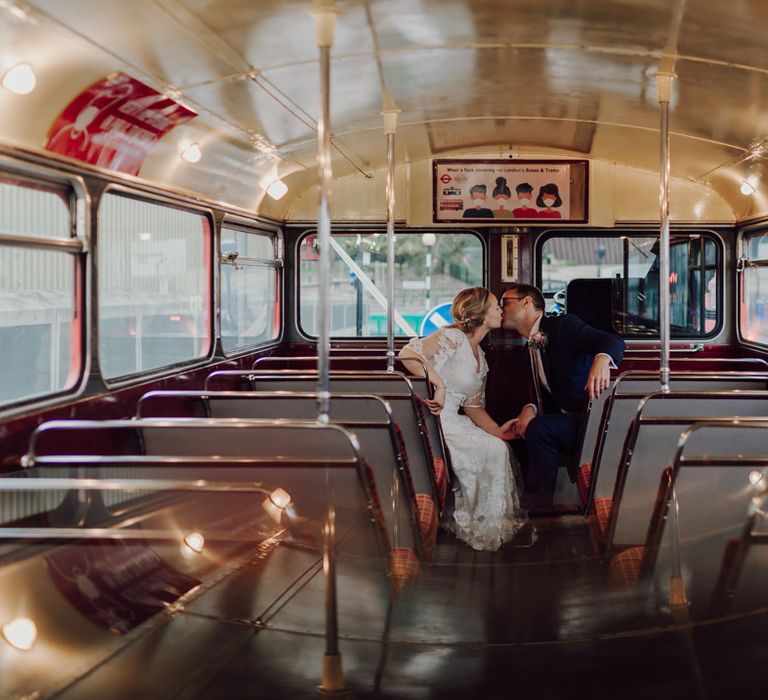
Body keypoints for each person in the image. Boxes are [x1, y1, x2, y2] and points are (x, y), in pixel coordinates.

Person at [399, 287, 527, 551]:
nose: (501, 311)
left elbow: (473, 405)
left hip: (456, 420)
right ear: (479, 314)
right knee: (489, 451)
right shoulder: (452, 337)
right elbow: (408, 355)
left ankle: (490, 525)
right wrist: (439, 385)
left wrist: (498, 431)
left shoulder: (480, 355)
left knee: (498, 447)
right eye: (495, 307)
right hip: (435, 418)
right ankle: (474, 525)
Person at [500, 283, 625, 511]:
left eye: (505, 303)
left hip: (589, 418)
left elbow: (613, 341)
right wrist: (530, 408)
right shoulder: (530, 344)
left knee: (540, 429)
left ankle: (538, 511)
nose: (500, 310)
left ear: (527, 302)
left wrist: (601, 359)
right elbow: (546, 391)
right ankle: (528, 505)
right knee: (523, 427)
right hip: (565, 416)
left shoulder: (563, 326)